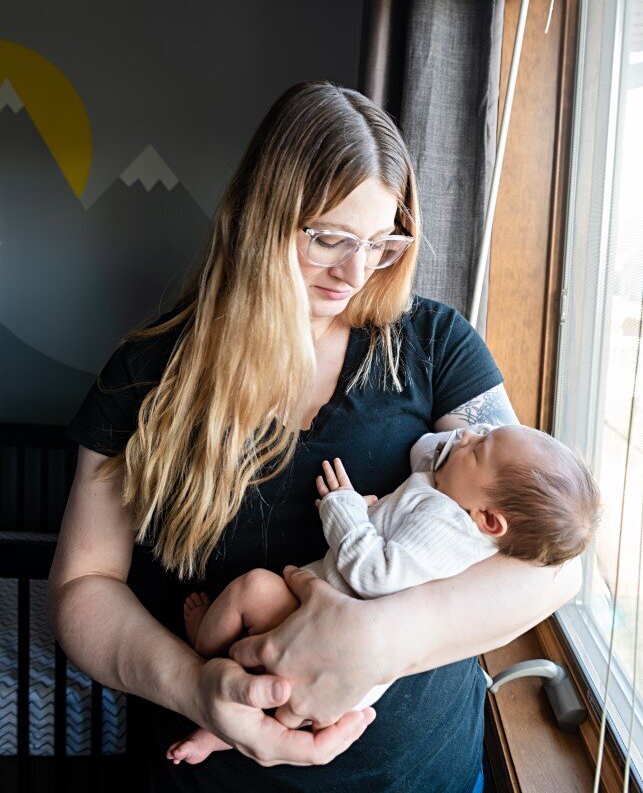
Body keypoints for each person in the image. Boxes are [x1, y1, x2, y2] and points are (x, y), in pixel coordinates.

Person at [47, 81, 581, 793]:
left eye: (381, 243)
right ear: (260, 221)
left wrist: (379, 639)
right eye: (329, 238)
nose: (356, 273)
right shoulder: (146, 375)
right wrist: (197, 689)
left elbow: (548, 561)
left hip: (422, 778)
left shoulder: (435, 347)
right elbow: (83, 585)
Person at [165, 424, 601, 766]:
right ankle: (219, 732)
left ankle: (204, 645)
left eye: (478, 447)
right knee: (261, 689)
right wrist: (395, 503)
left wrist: (345, 507)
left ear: (489, 520)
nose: (467, 435)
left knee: (253, 588)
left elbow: (374, 573)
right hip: (331, 654)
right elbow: (425, 453)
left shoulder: (448, 529)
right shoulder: (455, 497)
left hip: (321, 635)